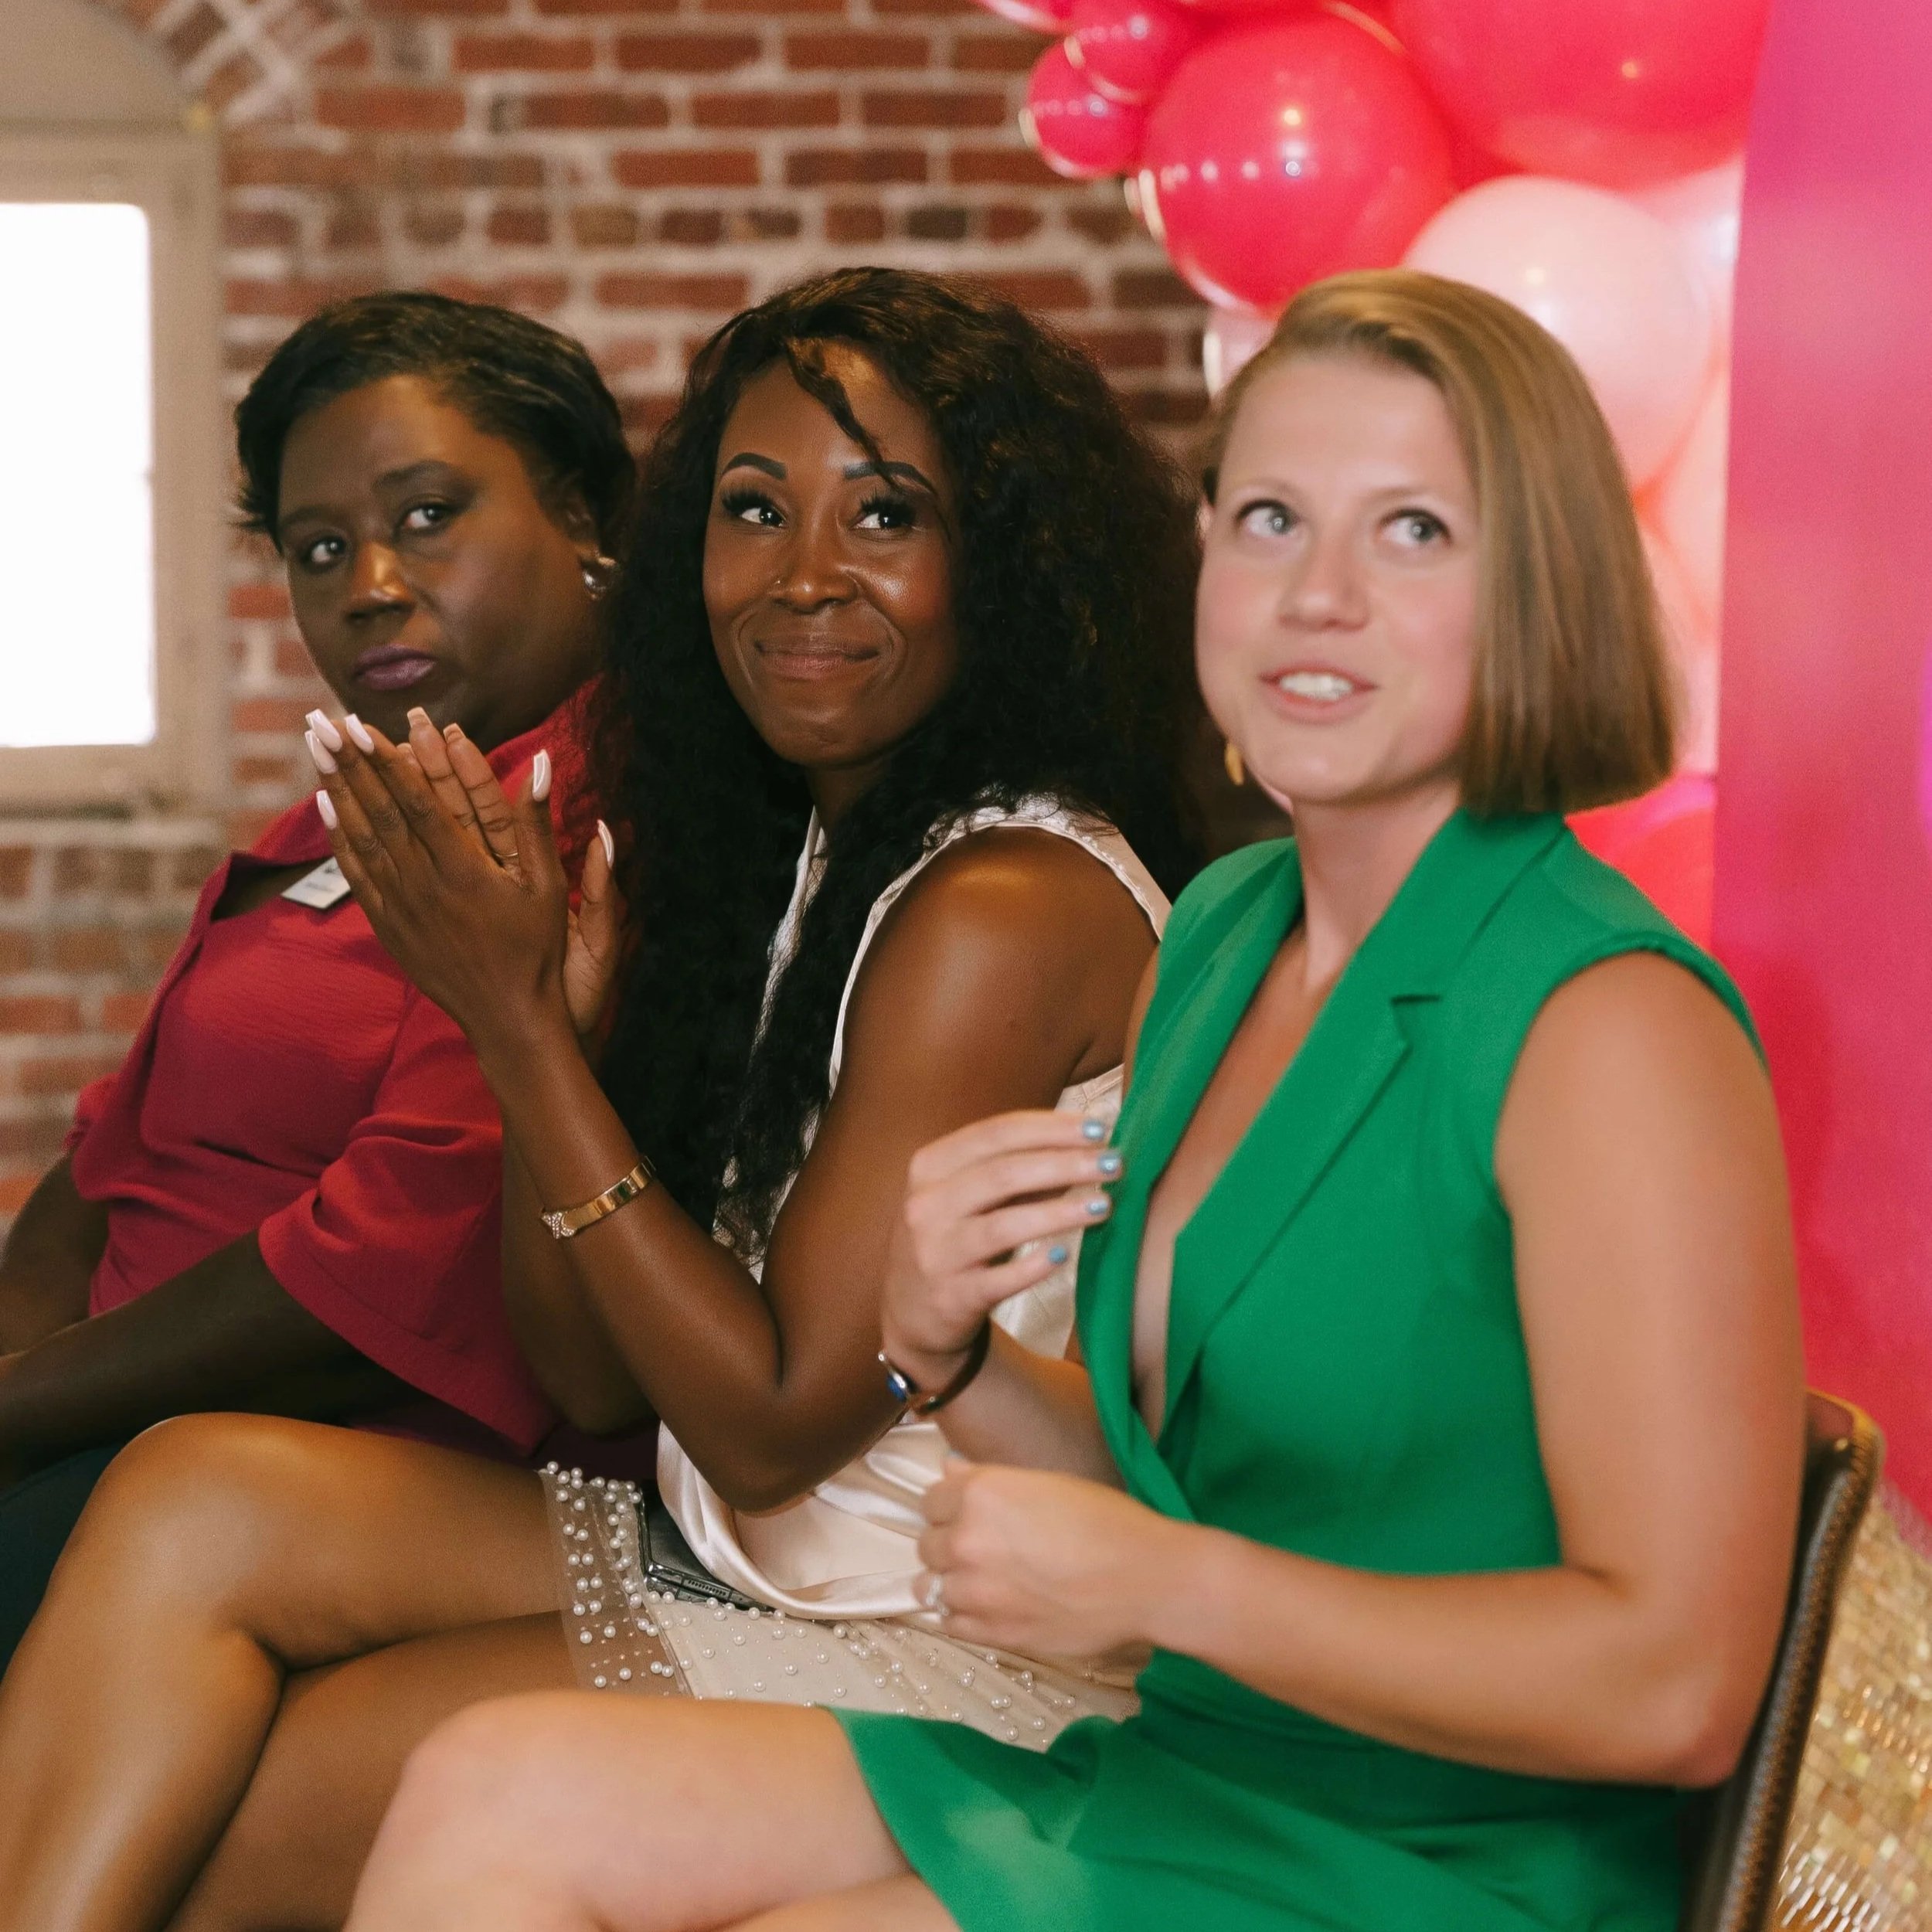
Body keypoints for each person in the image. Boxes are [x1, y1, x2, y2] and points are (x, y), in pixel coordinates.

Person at [338, 267, 1808, 1932]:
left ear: (1543, 588)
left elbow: (1674, 1686)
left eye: (1409, 533)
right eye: (1266, 518)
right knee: (487, 1778)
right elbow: (1184, 1470)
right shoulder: (1233, 933)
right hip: (1197, 1775)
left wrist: (1171, 1583)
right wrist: (958, 1363)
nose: (1313, 594)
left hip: (1427, 1862)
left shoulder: (1604, 1022)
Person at [0, 268, 1202, 1932]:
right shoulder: (797, 854)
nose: (800, 576)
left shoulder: (998, 899)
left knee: (229, 1810)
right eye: (753, 508)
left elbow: (777, 1418)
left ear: (1002, 557)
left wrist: (518, 1028)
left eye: (884, 515)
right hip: (745, 1549)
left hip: (934, 1624)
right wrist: (533, 1034)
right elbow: (582, 1363)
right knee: (191, 1490)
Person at [0, 290, 630, 1668]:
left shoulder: (580, 830)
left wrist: (18, 1410)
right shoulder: (361, 803)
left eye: (428, 517)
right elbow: (111, 1161)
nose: (369, 586)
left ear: (583, 519)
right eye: (320, 547)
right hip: (98, 1425)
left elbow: (382, 1275)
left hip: (330, 1461)